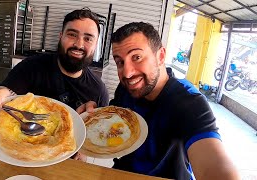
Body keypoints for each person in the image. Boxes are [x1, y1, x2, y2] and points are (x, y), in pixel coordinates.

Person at [77, 22, 239, 179]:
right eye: (120, 62)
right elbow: (114, 120)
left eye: (137, 57)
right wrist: (91, 121)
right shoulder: (126, 88)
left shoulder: (189, 101)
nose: (127, 73)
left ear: (160, 56)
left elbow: (214, 167)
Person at [0, 8, 108, 111]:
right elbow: (8, 91)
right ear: (60, 36)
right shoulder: (32, 65)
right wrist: (1, 94)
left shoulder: (99, 92)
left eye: (88, 39)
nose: (79, 45)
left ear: (96, 45)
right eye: (72, 35)